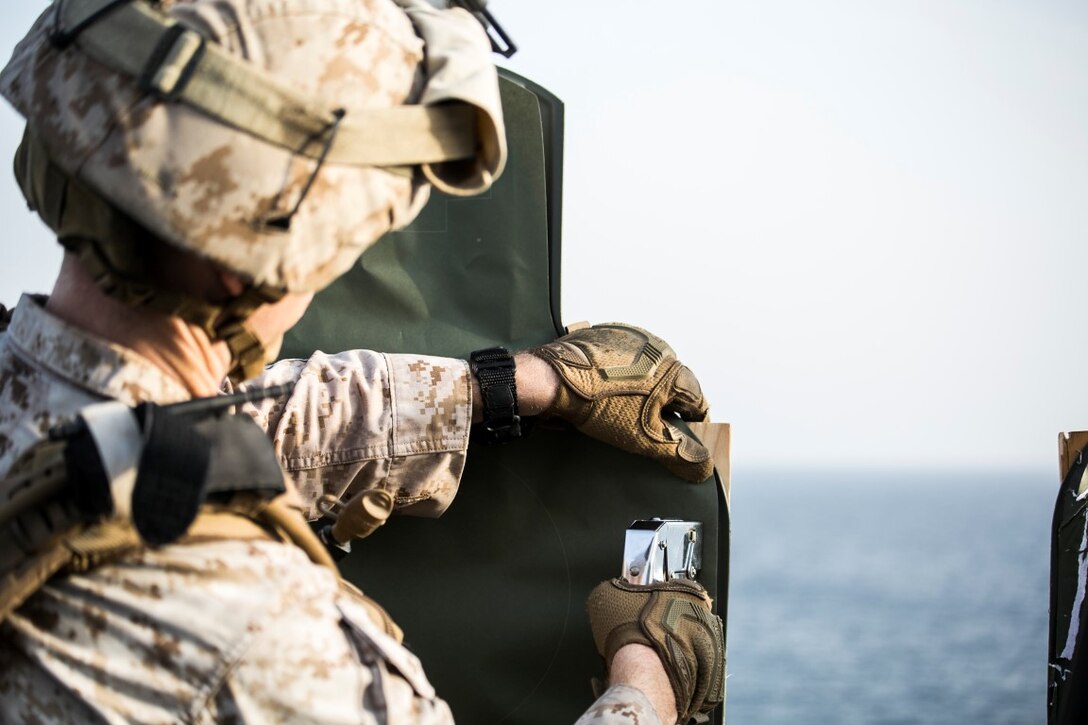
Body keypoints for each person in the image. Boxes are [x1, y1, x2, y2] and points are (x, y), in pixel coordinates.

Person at [0, 1, 724, 723]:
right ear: (262, 258)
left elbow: (222, 423)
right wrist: (647, 685)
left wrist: (509, 388)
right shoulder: (264, 647)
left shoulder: (31, 398)